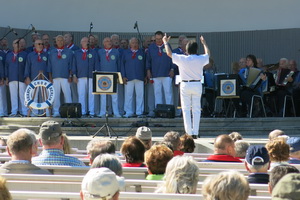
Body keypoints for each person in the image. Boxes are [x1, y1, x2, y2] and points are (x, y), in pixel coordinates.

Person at [164, 34, 209, 138]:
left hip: (185, 84)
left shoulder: (182, 58)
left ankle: (189, 133)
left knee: (186, 109)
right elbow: (207, 54)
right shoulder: (200, 58)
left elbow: (169, 53)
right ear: (196, 49)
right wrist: (205, 44)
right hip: (197, 84)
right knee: (197, 109)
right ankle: (195, 132)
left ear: (186, 50)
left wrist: (165, 42)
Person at [146, 31, 174, 115]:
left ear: (163, 38)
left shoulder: (167, 45)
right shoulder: (151, 47)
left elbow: (173, 58)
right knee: (157, 93)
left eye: (160, 39)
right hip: (155, 74)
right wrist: (148, 70)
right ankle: (159, 112)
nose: (158, 41)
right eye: (156, 39)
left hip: (167, 74)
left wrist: (172, 69)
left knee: (168, 93)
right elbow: (148, 60)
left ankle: (169, 111)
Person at [48, 35, 73, 117]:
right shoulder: (52, 52)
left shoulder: (68, 51)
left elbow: (71, 65)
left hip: (65, 77)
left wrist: (70, 76)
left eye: (61, 40)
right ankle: (56, 111)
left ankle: (69, 111)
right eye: (58, 40)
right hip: (55, 77)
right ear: (56, 41)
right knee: (56, 95)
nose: (60, 42)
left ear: (64, 41)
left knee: (67, 95)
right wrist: (50, 77)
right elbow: (49, 65)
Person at [72, 37, 98, 117]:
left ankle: (91, 111)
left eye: (88, 41)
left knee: (91, 95)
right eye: (85, 41)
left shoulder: (93, 52)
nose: (87, 43)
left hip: (91, 76)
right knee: (81, 94)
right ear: (81, 43)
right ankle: (82, 111)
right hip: (80, 76)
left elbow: (96, 63)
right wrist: (74, 75)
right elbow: (74, 64)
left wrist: (96, 74)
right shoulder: (77, 53)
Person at [97, 37, 121, 118]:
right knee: (103, 96)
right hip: (102, 76)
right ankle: (102, 112)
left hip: (113, 76)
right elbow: (98, 63)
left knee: (114, 96)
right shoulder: (100, 52)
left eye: (110, 41)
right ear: (103, 43)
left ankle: (116, 112)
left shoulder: (116, 52)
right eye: (107, 41)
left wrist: (118, 75)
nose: (109, 42)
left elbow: (119, 64)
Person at [121, 37, 145, 118]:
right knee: (128, 95)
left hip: (140, 77)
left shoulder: (142, 52)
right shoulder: (125, 53)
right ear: (130, 44)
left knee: (140, 95)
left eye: (136, 43)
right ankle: (128, 112)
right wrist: (123, 76)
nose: (135, 44)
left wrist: (145, 76)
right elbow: (122, 65)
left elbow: (145, 65)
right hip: (129, 77)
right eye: (133, 43)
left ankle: (139, 112)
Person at [5, 39, 28, 116]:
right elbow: (6, 67)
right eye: (16, 43)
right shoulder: (9, 55)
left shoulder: (25, 54)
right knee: (13, 96)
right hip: (11, 78)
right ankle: (14, 111)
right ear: (13, 45)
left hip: (21, 79)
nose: (18, 44)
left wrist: (26, 77)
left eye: (19, 43)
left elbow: (27, 67)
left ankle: (24, 111)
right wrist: (6, 78)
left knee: (23, 95)